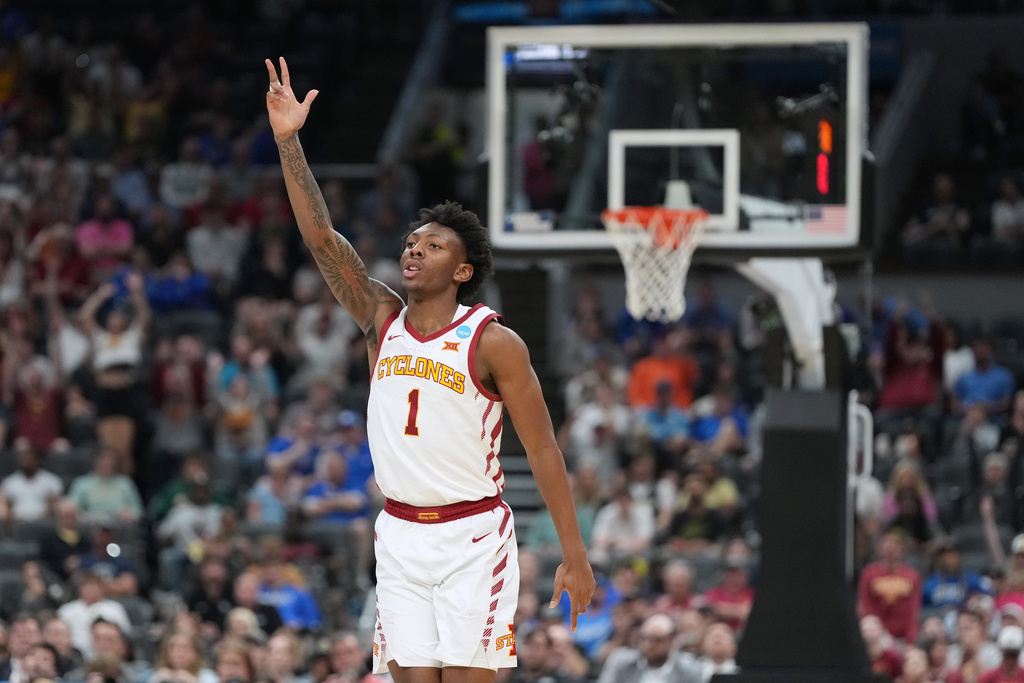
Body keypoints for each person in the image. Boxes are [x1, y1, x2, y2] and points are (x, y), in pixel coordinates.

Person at [266, 56, 594, 680]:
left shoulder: (495, 342)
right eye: (413, 240)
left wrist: (573, 554)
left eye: (435, 244)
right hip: (398, 533)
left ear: (463, 271)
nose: (415, 247)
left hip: (471, 535)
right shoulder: (378, 318)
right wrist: (290, 144)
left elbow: (545, 449)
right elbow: (320, 236)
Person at [596, 613, 701, 683]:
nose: (648, 645)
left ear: (671, 641)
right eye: (644, 638)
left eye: (657, 640)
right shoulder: (621, 662)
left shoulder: (689, 668)